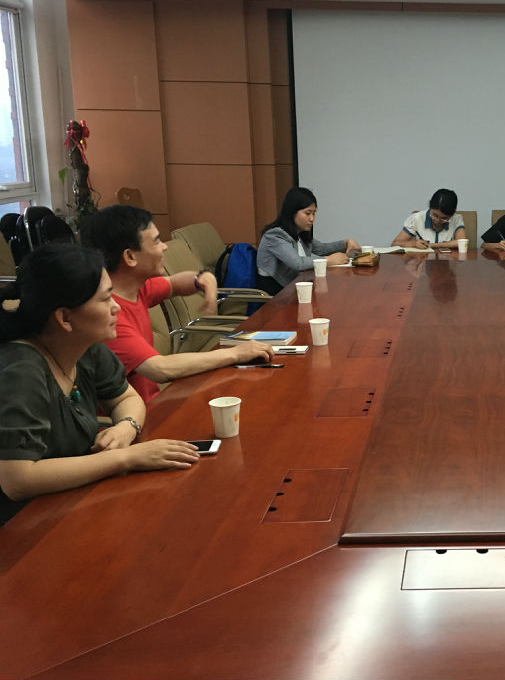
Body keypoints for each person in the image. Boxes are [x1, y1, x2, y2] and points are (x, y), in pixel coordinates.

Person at [0, 245, 200, 525]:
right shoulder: (20, 371)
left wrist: (126, 427)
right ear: (64, 318)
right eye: (106, 299)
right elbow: (17, 480)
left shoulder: (84, 346)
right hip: (26, 526)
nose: (116, 306)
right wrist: (127, 458)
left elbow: (126, 398)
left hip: (75, 500)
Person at [81, 205, 274, 403]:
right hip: (139, 415)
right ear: (130, 257)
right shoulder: (110, 315)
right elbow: (160, 368)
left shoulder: (137, 288)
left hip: (156, 402)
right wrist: (235, 354)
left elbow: (174, 284)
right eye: (156, 241)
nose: (164, 247)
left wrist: (202, 278)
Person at [257, 187, 360, 294]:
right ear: (292, 212)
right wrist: (329, 260)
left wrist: (346, 243)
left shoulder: (300, 233)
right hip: (276, 294)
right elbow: (297, 263)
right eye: (307, 213)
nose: (312, 219)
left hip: (296, 288)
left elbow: (322, 249)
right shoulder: (275, 235)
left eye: (314, 213)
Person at [391, 189, 468, 250]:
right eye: (435, 215)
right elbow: (395, 243)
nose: (437, 220)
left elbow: (461, 242)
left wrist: (432, 245)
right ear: (430, 207)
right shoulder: (417, 218)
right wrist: (414, 243)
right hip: (422, 262)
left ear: (453, 214)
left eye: (444, 218)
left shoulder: (456, 219)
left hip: (448, 262)